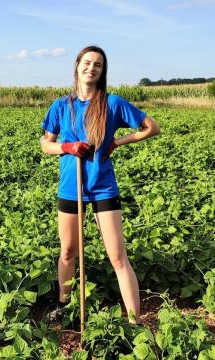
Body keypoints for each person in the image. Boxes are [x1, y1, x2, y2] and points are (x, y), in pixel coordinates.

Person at [40, 45, 160, 324]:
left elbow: (151, 127)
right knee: (68, 251)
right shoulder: (60, 106)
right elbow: (46, 144)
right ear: (77, 65)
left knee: (117, 256)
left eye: (98, 65)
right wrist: (67, 147)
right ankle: (63, 304)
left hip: (103, 186)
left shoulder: (112, 103)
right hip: (71, 187)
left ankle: (134, 321)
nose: (91, 68)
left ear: (102, 71)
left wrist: (117, 141)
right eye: (87, 62)